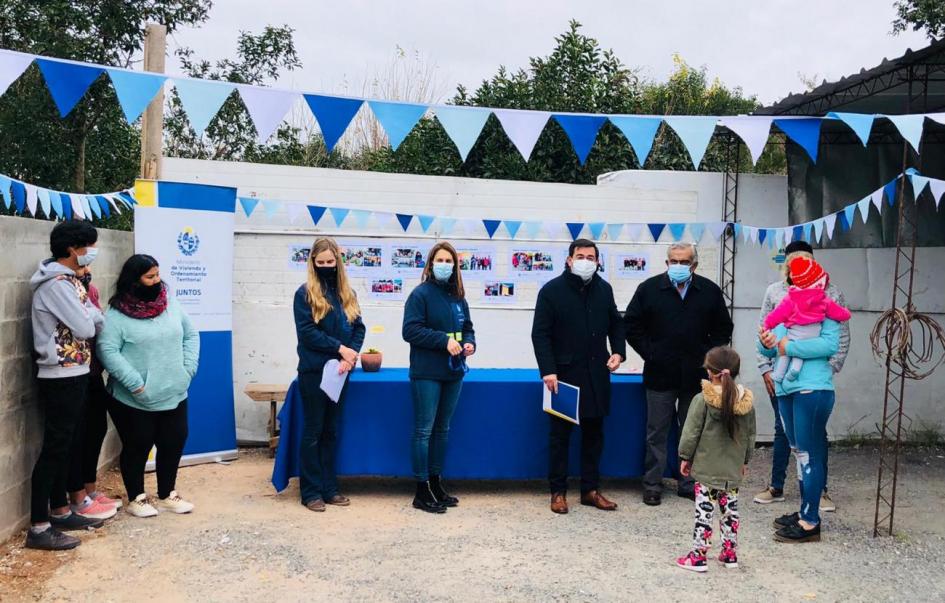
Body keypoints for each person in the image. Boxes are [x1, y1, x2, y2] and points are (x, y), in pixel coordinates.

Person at [624, 242, 733, 506]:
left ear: (694, 265)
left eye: (684, 262)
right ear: (666, 263)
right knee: (656, 432)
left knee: (692, 431)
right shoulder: (649, 289)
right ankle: (652, 484)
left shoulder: (708, 291)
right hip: (660, 375)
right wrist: (651, 352)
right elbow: (631, 325)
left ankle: (688, 481)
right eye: (674, 261)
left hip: (696, 377)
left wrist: (709, 358)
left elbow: (723, 329)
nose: (678, 266)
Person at [97, 255, 199, 518]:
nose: (157, 281)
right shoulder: (116, 314)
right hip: (133, 397)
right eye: (149, 277)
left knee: (174, 441)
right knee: (138, 445)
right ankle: (137, 498)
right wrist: (135, 383)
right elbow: (107, 349)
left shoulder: (170, 304)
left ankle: (167, 494)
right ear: (134, 281)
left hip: (174, 389)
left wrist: (188, 369)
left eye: (157, 275)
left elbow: (190, 334)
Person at [26, 222, 107, 551]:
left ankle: (60, 510)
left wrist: (90, 314)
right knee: (56, 448)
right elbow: (86, 326)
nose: (92, 252)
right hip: (60, 374)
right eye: (89, 245)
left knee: (69, 444)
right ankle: (38, 526)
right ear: (73, 249)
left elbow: (94, 315)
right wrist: (90, 315)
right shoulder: (56, 285)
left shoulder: (71, 281)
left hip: (75, 370)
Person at [531, 239, 625, 515]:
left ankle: (590, 490)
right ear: (569, 259)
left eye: (591, 257)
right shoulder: (551, 291)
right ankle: (558, 492)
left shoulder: (604, 289)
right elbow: (540, 334)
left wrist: (618, 352)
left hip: (597, 375)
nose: (586, 260)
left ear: (598, 261)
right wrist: (548, 370)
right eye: (580, 256)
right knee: (560, 437)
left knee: (594, 436)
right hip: (563, 377)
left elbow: (616, 324)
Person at [753, 241, 850, 511]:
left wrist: (829, 368)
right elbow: (766, 334)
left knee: (813, 439)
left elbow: (837, 340)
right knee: (786, 435)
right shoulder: (777, 295)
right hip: (782, 381)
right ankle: (778, 487)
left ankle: (816, 497)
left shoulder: (828, 298)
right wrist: (766, 362)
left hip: (811, 384)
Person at [402, 242, 476, 514]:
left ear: (456, 266)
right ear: (431, 263)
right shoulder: (420, 295)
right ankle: (421, 489)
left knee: (442, 429)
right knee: (424, 430)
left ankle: (436, 481)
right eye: (440, 260)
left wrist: (469, 343)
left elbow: (467, 328)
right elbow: (410, 330)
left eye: (449, 261)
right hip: (426, 373)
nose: (445, 264)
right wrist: (443, 340)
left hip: (454, 372)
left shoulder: (459, 298)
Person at [292, 238, 365, 512]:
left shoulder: (348, 294)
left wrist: (351, 354)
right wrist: (340, 348)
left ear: (338, 262)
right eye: (320, 263)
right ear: (313, 263)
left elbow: (359, 328)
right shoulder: (304, 294)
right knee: (313, 431)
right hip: (314, 371)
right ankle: (310, 492)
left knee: (331, 431)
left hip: (340, 371)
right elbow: (308, 333)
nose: (325, 266)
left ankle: (330, 487)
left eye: (329, 262)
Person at [758, 307, 840, 543]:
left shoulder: (827, 311)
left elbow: (829, 346)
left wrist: (789, 348)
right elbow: (771, 346)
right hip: (786, 389)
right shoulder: (788, 308)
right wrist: (766, 342)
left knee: (809, 453)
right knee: (799, 454)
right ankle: (806, 510)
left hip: (812, 389)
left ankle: (810, 521)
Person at [675, 347, 756, 572]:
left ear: (710, 372)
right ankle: (729, 554)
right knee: (730, 512)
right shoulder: (745, 402)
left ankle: (698, 557)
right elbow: (750, 435)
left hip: (706, 470)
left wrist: (685, 457)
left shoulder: (702, 399)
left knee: (704, 512)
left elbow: (691, 432)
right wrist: (745, 461)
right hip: (732, 471)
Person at [66, 267, 123, 516]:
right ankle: (77, 496)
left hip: (93, 371)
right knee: (76, 436)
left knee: (96, 429)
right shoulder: (62, 289)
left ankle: (90, 489)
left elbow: (100, 325)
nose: (87, 269)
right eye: (82, 265)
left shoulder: (91, 290)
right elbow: (88, 327)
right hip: (72, 371)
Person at [763, 256, 851, 383]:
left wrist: (767, 324)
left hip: (795, 330)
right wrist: (846, 314)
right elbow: (837, 312)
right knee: (801, 350)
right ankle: (795, 370)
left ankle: (779, 374)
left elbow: (777, 314)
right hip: (813, 331)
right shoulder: (823, 298)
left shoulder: (791, 298)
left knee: (786, 351)